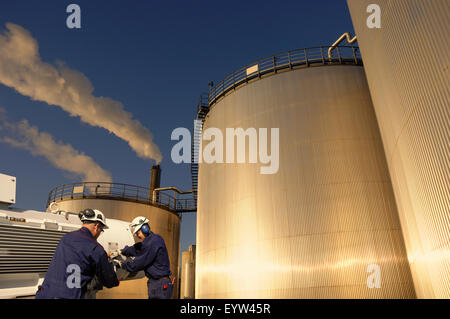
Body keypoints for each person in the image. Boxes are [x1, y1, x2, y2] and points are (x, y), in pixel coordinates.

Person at [35, 208, 119, 299]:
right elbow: (109, 280)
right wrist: (114, 271)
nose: (99, 233)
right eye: (101, 230)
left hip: (45, 294)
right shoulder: (95, 248)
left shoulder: (66, 238)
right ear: (96, 226)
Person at [118, 216, 173, 299]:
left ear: (144, 228)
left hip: (160, 284)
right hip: (155, 283)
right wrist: (123, 251)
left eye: (137, 233)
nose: (137, 236)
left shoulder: (153, 242)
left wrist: (122, 264)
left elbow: (139, 263)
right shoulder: (149, 241)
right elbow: (137, 249)